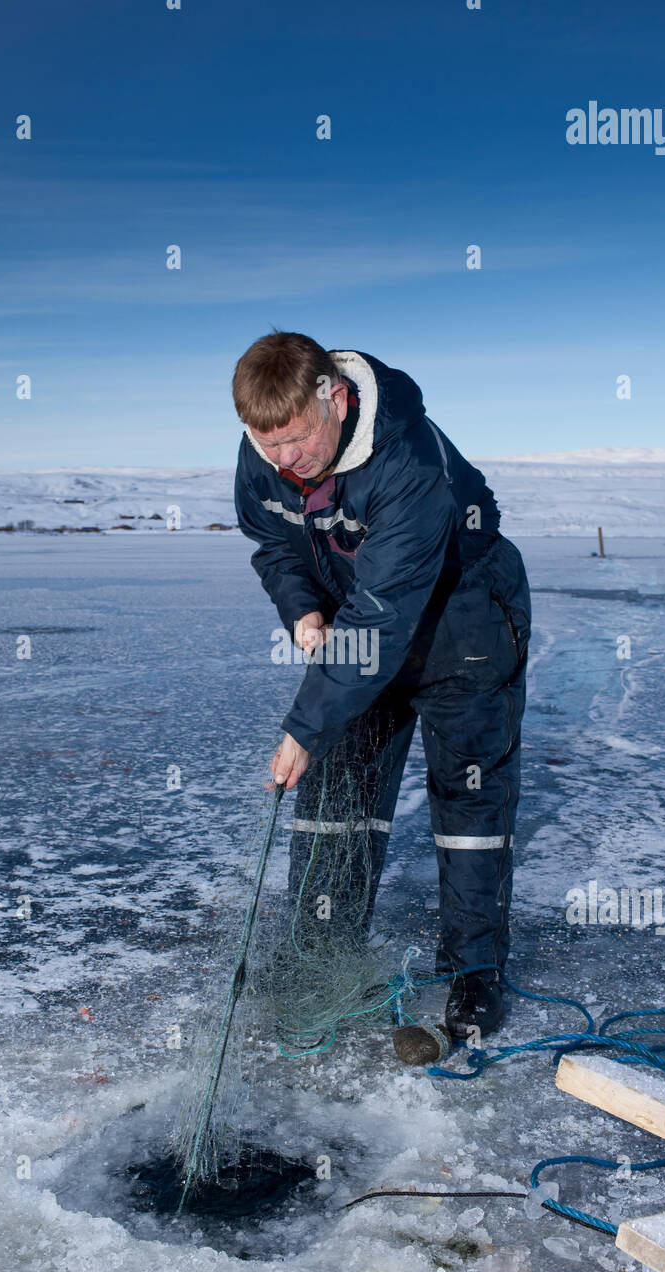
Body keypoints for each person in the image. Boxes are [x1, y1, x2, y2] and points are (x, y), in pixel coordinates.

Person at [232, 331, 530, 1039]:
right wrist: (301, 604)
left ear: (333, 397)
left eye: (297, 441)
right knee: (339, 792)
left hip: (463, 623)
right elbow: (273, 542)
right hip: (358, 619)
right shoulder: (267, 445)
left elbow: (383, 613)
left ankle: (473, 972)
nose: (282, 461)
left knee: (469, 798)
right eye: (265, 443)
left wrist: (306, 725)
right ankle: (323, 955)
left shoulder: (408, 460)